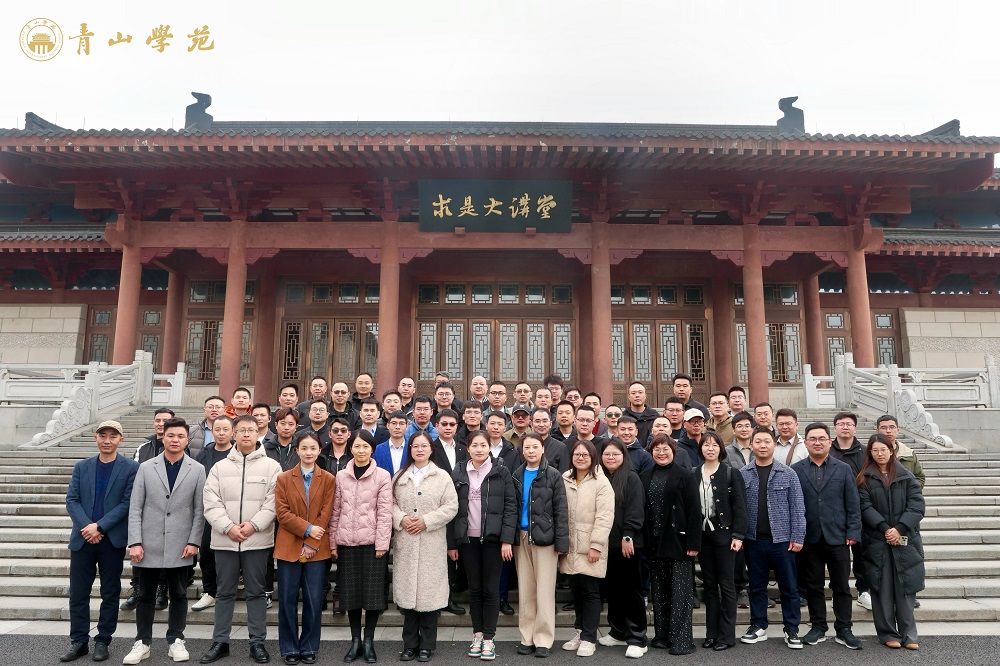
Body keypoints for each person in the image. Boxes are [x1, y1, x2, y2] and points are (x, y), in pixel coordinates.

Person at [200, 414, 282, 665]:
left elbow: (274, 502)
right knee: (224, 592)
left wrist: (253, 525)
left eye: (251, 430)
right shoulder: (219, 467)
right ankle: (220, 642)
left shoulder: (272, 467)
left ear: (259, 434)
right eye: (242, 430)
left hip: (257, 540)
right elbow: (210, 502)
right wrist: (228, 527)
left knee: (256, 592)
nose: (246, 434)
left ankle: (257, 642)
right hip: (225, 540)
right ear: (234, 434)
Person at [123, 418, 205, 665]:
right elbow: (135, 507)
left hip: (182, 544)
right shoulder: (146, 467)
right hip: (148, 542)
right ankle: (142, 642)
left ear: (187, 439)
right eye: (171, 435)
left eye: (180, 436)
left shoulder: (197, 469)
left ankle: (176, 639)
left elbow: (199, 510)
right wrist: (135, 542)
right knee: (145, 594)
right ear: (163, 437)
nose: (175, 440)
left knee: (179, 593)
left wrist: (194, 541)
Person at [62, 421, 139, 663]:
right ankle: (79, 641)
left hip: (111, 540)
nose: (107, 440)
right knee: (78, 593)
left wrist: (100, 526)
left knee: (110, 592)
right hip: (83, 539)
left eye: (112, 436)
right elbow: (72, 500)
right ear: (95, 438)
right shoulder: (82, 466)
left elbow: (127, 503)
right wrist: (87, 527)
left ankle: (103, 640)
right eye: (102, 435)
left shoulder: (131, 468)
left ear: (120, 440)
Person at [791, 423, 863, 650]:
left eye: (822, 438)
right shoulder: (796, 469)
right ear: (805, 442)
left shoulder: (843, 469)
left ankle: (844, 629)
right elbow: (793, 505)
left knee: (841, 586)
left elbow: (853, 503)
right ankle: (818, 627)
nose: (817, 442)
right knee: (813, 586)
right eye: (812, 439)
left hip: (838, 537)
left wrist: (853, 531)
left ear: (829, 442)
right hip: (809, 538)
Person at [447, 430, 518, 662]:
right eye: (474, 445)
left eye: (483, 445)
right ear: (468, 448)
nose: (479, 449)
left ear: (490, 447)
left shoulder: (501, 471)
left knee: (491, 590)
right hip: (467, 541)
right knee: (475, 590)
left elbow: (510, 507)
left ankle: (489, 638)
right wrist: (452, 542)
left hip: (493, 541)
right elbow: (452, 508)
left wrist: (507, 540)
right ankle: (477, 635)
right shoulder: (459, 470)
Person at [391, 432, 460, 663]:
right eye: (415, 446)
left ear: (431, 449)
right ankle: (409, 644)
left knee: (429, 597)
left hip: (432, 542)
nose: (419, 450)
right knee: (409, 597)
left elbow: (451, 506)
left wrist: (426, 521)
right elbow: (389, 503)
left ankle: (427, 645)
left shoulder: (442, 476)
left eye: (424, 446)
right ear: (410, 449)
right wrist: (401, 519)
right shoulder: (400, 476)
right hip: (406, 542)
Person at [329, 430, 393, 664]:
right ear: (351, 448)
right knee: (351, 595)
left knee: (373, 596)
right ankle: (355, 640)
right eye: (357, 446)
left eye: (366, 446)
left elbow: (385, 513)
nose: (361, 450)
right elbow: (336, 510)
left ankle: (369, 641)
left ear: (372, 449)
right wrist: (333, 540)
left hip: (372, 544)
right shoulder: (341, 476)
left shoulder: (382, 476)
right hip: (347, 543)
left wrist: (382, 543)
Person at [739, 428, 806, 650]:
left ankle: (792, 629)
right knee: (756, 586)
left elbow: (798, 507)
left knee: (789, 587)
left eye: (767, 441)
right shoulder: (743, 473)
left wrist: (798, 536)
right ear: (751, 445)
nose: (762, 445)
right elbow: (738, 508)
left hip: (782, 540)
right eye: (758, 441)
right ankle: (758, 625)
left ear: (774, 444)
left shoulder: (788, 473)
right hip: (753, 540)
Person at [857, 434, 925, 651]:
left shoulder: (906, 476)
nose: (880, 454)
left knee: (906, 588)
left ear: (891, 450)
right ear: (870, 453)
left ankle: (909, 634)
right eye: (875, 450)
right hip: (878, 540)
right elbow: (865, 507)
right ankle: (887, 633)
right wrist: (886, 529)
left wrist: (899, 529)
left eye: (883, 449)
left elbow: (917, 506)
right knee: (882, 588)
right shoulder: (865, 478)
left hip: (905, 540)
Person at [274, 431, 336, 665]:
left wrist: (311, 542)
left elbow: (326, 513)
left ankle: (309, 646)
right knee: (287, 601)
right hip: (288, 545)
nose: (308, 452)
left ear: (319, 450)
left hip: (317, 549)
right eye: (304, 448)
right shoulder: (283, 478)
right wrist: (308, 530)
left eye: (313, 448)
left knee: (313, 601)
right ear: (297, 450)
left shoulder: (328, 479)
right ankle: (290, 647)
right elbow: (282, 513)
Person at [640, 433, 700, 655]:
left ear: (673, 451)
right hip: (655, 541)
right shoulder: (645, 475)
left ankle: (682, 640)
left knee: (680, 593)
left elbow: (695, 510)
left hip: (679, 541)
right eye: (657, 449)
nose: (661, 452)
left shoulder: (685, 475)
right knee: (660, 591)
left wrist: (693, 542)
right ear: (651, 452)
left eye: (665, 449)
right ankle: (663, 636)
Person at [513, 433, 568, 658]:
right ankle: (526, 637)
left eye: (535, 447)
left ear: (543, 449)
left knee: (544, 590)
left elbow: (561, 510)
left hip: (546, 539)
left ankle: (543, 639)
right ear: (522, 450)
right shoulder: (516, 474)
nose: (531, 451)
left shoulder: (553, 475)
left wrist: (562, 542)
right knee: (526, 590)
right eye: (527, 447)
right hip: (521, 537)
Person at [559, 440, 614, 658]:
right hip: (570, 545)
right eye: (577, 454)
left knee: (591, 592)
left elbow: (605, 516)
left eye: (585, 455)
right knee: (577, 591)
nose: (580, 458)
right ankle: (580, 632)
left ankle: (589, 638)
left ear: (593, 457)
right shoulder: (565, 478)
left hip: (590, 544)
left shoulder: (601, 481)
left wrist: (596, 545)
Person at [695, 431, 747, 652]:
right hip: (703, 536)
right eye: (706, 445)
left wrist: (738, 535)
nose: (710, 448)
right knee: (709, 585)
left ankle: (726, 636)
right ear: (700, 449)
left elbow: (740, 507)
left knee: (726, 584)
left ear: (720, 449)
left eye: (714, 445)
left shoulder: (730, 473)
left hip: (725, 535)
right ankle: (711, 634)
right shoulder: (694, 473)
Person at [595, 438, 647, 658]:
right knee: (612, 590)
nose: (611, 458)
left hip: (627, 544)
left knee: (631, 591)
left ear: (623, 456)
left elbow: (635, 509)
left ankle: (637, 638)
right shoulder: (599, 477)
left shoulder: (631, 477)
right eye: (607, 454)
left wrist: (628, 535)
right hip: (606, 544)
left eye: (615, 454)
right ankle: (617, 631)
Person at [121, 408, 174, 612]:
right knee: (140, 549)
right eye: (158, 420)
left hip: (169, 508)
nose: (161, 423)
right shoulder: (143, 448)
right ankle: (137, 590)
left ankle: (162, 590)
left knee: (165, 550)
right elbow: (135, 476)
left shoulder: (178, 446)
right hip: (146, 507)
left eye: (165, 420)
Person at [191, 415, 236, 613]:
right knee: (207, 553)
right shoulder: (204, 454)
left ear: (232, 432)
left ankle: (227, 591)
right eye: (217, 429)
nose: (221, 433)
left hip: (233, 511)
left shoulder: (239, 454)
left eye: (226, 429)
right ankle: (209, 591)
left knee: (230, 555)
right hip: (208, 511)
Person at [830, 412, 870, 610]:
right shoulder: (828, 450)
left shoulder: (865, 452)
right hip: (834, 510)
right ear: (835, 428)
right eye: (841, 424)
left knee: (861, 553)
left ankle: (863, 590)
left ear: (855, 428)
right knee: (836, 556)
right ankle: (837, 591)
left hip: (861, 509)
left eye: (849, 424)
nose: (845, 427)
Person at [431, 409, 469, 616]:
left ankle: (453, 592)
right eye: (444, 424)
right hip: (438, 506)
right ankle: (443, 599)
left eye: (451, 424)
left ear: (457, 426)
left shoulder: (463, 449)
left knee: (458, 553)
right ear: (436, 425)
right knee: (443, 557)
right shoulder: (431, 448)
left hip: (462, 506)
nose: (448, 428)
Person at [876, 415, 926, 487]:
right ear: (877, 431)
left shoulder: (908, 453)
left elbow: (919, 477)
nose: (888, 431)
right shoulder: (869, 453)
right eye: (884, 428)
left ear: (898, 430)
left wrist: (912, 491)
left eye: (892, 427)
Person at [375, 410, 412, 476]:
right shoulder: (377, 450)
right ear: (388, 425)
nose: (397, 427)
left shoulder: (411, 449)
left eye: (401, 424)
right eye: (394, 423)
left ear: (407, 426)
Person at [623, 382, 659, 448]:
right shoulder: (623, 416)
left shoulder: (654, 416)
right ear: (629, 397)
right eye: (633, 393)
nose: (637, 395)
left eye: (640, 392)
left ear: (645, 396)